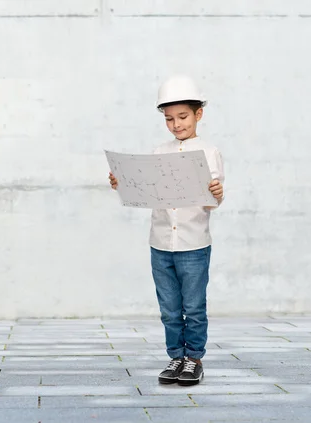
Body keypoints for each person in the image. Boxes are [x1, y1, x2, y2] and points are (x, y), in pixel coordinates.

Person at [108, 75, 224, 386]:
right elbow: (146, 190)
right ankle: (176, 356)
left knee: (194, 306)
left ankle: (194, 358)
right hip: (160, 242)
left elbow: (212, 201)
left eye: (183, 117)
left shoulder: (209, 152)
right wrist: (124, 182)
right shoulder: (159, 151)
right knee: (170, 307)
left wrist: (217, 193)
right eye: (169, 119)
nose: (176, 124)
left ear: (198, 114)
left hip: (194, 243)